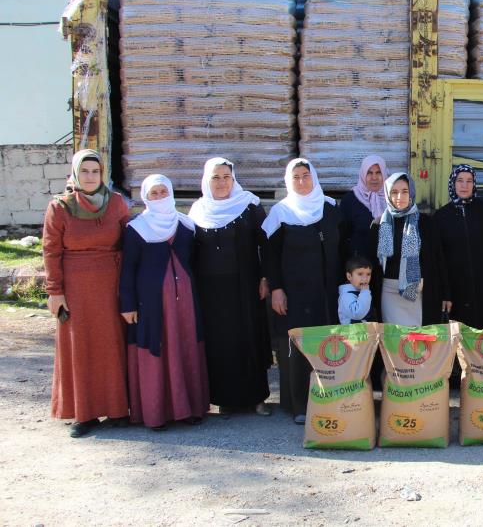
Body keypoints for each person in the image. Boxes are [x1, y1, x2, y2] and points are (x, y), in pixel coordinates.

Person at [43, 149, 131, 438]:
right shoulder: (60, 207)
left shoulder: (116, 203)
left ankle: (118, 409)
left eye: (95, 171)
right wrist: (55, 291)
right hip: (76, 287)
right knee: (80, 347)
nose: (90, 177)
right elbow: (51, 251)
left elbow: (129, 242)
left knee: (112, 345)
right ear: (75, 174)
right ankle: (86, 413)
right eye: (85, 171)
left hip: (111, 284)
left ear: (102, 174)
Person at [120, 174, 209, 430]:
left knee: (186, 347)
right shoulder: (137, 228)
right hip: (152, 304)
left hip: (185, 305)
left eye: (163, 192)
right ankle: (156, 413)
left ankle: (189, 409)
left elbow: (194, 262)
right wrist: (127, 304)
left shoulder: (186, 225)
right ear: (145, 197)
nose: (159, 197)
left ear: (171, 193)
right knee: (157, 349)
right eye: (153, 193)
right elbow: (127, 269)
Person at [188, 157, 271, 418]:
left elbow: (266, 244)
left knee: (249, 338)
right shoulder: (198, 210)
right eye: (216, 177)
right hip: (210, 290)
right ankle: (225, 399)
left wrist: (265, 278)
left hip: (245, 285)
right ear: (206, 180)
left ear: (233, 179)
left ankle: (256, 398)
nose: (222, 182)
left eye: (226, 177)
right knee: (220, 343)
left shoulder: (249, 205)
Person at [262, 159, 343, 424]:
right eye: (295, 177)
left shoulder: (330, 208)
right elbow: (270, 256)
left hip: (327, 292)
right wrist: (276, 289)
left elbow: (342, 247)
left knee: (328, 346)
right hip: (294, 294)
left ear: (314, 177)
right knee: (297, 349)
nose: (301, 181)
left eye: (305, 175)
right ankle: (299, 405)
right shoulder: (280, 212)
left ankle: (330, 399)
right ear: (288, 181)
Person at [432, 164, 483, 329]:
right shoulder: (441, 217)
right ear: (452, 183)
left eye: (469, 181)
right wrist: (445, 292)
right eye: (460, 181)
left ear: (474, 184)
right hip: (456, 290)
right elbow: (439, 258)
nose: (464, 185)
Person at [368, 172, 449, 326]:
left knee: (418, 342)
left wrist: (446, 294)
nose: (400, 197)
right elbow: (372, 264)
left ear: (411, 193)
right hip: (389, 293)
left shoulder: (426, 223)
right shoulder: (378, 225)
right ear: (388, 194)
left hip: (418, 293)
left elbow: (439, 259)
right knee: (395, 342)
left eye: (404, 191)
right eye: (394, 192)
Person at [339, 155, 388, 262]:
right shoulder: (350, 200)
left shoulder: (392, 199)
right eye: (369, 173)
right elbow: (342, 238)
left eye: (378, 172)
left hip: (388, 268)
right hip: (360, 271)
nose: (374, 177)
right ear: (363, 175)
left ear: (384, 174)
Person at [338, 255, 373, 325]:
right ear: (349, 276)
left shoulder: (361, 292)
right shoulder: (346, 295)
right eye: (360, 274)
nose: (365, 278)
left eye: (368, 274)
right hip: (352, 334)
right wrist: (365, 293)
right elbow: (357, 314)